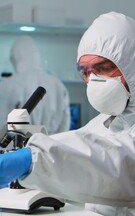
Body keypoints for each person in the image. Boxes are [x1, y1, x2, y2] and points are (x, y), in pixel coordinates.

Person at [1, 11, 135, 215]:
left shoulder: (9, 85)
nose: (93, 80)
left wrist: (33, 159)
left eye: (105, 68)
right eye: (86, 72)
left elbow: (119, 163)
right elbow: (76, 148)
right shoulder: (101, 124)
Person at [0, 35, 70, 136]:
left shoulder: (7, 85)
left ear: (16, 57)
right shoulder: (58, 85)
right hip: (49, 147)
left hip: (18, 148)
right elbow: (64, 128)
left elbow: (1, 127)